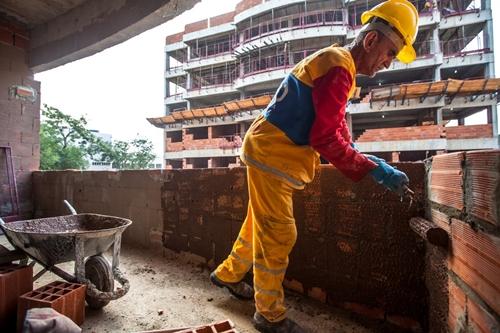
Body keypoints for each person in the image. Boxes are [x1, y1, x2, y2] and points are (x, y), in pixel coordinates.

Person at [210, 1, 419, 332]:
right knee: (279, 233)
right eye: (390, 53)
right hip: (272, 154)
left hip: (270, 150)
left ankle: (228, 274)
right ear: (370, 41)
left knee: (261, 223)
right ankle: (268, 314)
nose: (387, 63)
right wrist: (371, 169)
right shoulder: (339, 68)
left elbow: (335, 127)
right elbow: (324, 138)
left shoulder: (339, 65)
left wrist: (365, 158)